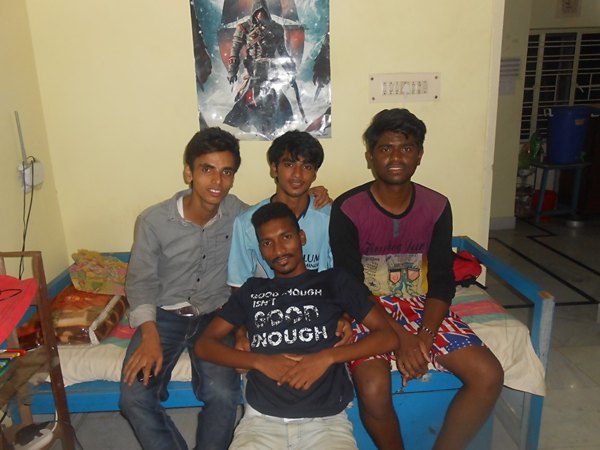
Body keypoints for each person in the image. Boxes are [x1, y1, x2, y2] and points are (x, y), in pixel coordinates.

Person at [329, 108, 504, 450]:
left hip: (423, 306)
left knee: (488, 375)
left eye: (406, 148)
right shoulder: (349, 208)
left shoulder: (436, 205)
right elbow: (351, 285)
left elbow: (441, 279)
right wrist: (402, 338)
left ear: (420, 154)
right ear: (370, 156)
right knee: (373, 387)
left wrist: (424, 336)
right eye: (385, 148)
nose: (396, 158)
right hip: (369, 309)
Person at [195, 202, 399, 450]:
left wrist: (327, 357)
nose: (279, 250)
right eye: (267, 243)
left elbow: (388, 337)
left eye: (286, 237)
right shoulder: (252, 290)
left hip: (326, 424)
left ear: (301, 237)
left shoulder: (333, 281)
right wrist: (259, 361)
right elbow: (205, 345)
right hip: (260, 423)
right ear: (260, 249)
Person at [119, 127, 246, 450]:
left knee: (224, 393)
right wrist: (149, 334)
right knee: (134, 396)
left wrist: (315, 198)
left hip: (215, 315)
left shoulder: (239, 215)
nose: (217, 181)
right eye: (207, 169)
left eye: (226, 172)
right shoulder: (153, 221)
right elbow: (141, 281)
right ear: (189, 172)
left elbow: (278, 217)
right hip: (164, 315)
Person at [228, 130, 332, 288]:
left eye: (307, 166)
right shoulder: (246, 223)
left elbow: (340, 279)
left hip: (322, 299)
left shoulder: (329, 217)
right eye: (289, 164)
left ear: (314, 174)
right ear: (274, 169)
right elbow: (239, 286)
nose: (297, 174)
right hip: (269, 301)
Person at [224, 0, 297, 138]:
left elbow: (283, 52)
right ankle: (246, 124)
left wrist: (290, 71)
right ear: (254, 12)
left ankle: (277, 125)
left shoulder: (276, 28)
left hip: (271, 71)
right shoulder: (244, 28)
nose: (260, 15)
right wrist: (232, 71)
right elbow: (235, 51)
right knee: (248, 98)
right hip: (253, 71)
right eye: (258, 12)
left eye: (263, 12)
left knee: (278, 99)